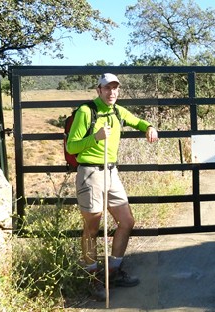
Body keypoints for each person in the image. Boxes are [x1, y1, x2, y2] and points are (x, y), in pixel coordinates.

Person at [66, 73, 159, 300]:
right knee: (92, 227)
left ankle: (113, 271)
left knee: (126, 221)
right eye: (107, 88)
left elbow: (137, 121)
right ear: (98, 90)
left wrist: (149, 127)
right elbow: (71, 147)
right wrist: (96, 137)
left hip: (111, 172)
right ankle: (92, 279)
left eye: (115, 88)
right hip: (90, 173)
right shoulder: (86, 112)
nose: (112, 92)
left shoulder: (118, 111)